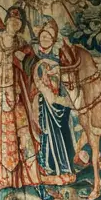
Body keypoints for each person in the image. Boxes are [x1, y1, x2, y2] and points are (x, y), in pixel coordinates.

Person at [0, 5, 53, 200]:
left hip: (16, 99)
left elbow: (33, 67)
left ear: (21, 25)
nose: (15, 23)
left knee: (25, 141)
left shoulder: (23, 43)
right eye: (12, 20)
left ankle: (36, 183)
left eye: (19, 21)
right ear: (6, 21)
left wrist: (25, 60)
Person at [33, 19, 75, 183]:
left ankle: (64, 168)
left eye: (48, 37)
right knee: (45, 132)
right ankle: (46, 167)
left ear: (53, 39)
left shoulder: (59, 57)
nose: (45, 39)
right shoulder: (34, 56)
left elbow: (65, 79)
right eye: (43, 36)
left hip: (58, 103)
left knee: (62, 133)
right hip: (41, 101)